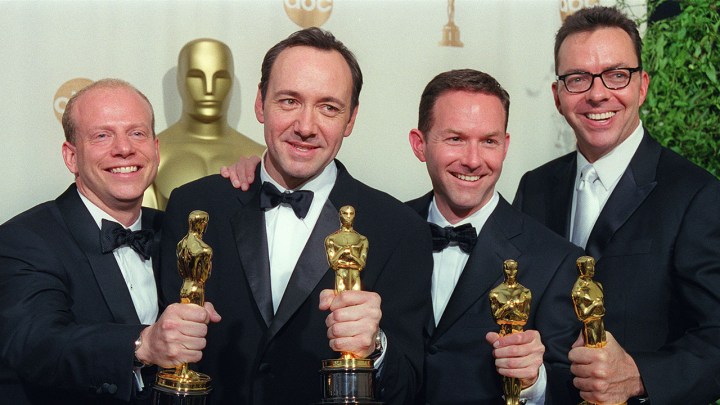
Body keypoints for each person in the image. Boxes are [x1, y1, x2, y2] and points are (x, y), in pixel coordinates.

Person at [160, 28, 433, 405]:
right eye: (289, 101)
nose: (305, 126)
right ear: (260, 103)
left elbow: (410, 386)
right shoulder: (195, 207)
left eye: (328, 108)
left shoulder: (399, 229)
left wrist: (377, 346)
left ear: (351, 119)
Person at [513, 6, 720, 404]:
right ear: (558, 97)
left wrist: (641, 376)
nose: (597, 93)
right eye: (577, 79)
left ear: (641, 86)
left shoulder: (697, 195)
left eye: (616, 74)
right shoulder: (534, 187)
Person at [0, 79, 220, 404]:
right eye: (102, 135)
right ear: (71, 157)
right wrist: (142, 343)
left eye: (137, 133)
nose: (124, 148)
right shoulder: (25, 238)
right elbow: (36, 344)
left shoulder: (176, 231)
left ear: (156, 150)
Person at [405, 69, 583, 404]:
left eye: (488, 141)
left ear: (505, 146)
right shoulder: (386, 230)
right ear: (420, 144)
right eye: (456, 139)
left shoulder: (555, 261)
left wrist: (534, 380)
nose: (473, 160)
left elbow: (571, 389)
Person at [144, 38, 265, 210]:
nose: (209, 89)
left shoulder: (260, 157)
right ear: (179, 81)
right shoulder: (152, 154)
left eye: (220, 77)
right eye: (196, 77)